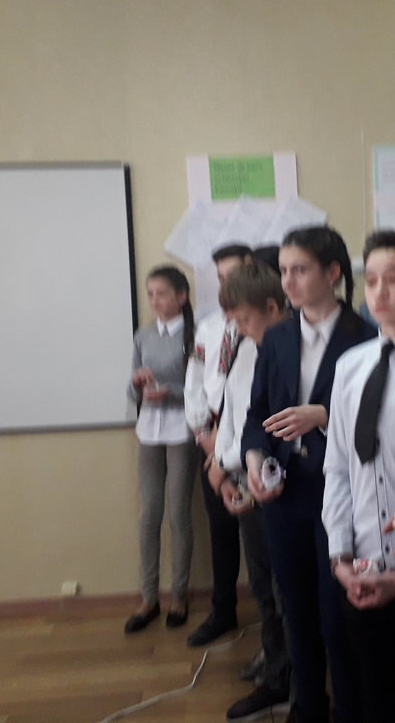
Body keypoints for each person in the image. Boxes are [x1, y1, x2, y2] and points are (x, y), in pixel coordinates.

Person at [242, 225, 377, 723]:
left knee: (335, 614)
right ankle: (307, 708)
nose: (288, 281)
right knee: (295, 610)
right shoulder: (277, 337)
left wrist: (322, 415)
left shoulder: (366, 337)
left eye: (299, 270)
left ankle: (349, 711)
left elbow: (378, 420)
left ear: (332, 273)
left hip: (339, 491)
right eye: (283, 271)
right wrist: (254, 462)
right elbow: (257, 416)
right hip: (285, 492)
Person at [322, 230, 395, 723]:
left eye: (394, 279)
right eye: (370, 280)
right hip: (364, 566)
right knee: (375, 695)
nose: (379, 291)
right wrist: (340, 556)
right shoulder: (350, 366)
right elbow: (338, 466)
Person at [211, 263, 294, 721]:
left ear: (273, 308)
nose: (240, 330)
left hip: (285, 491)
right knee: (262, 586)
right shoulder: (247, 351)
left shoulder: (296, 351)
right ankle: (275, 670)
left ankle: (296, 680)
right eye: (235, 323)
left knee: (288, 591)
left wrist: (265, 475)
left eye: (245, 320)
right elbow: (237, 416)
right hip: (249, 479)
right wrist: (227, 470)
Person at [184, 243, 254, 648]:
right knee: (221, 531)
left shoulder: (261, 327)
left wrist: (225, 443)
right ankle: (223, 610)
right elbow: (195, 382)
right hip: (210, 437)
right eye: (221, 278)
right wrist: (204, 434)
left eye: (234, 275)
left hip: (246, 444)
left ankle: (274, 627)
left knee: (258, 536)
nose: (226, 284)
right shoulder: (209, 327)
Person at [124, 265, 196, 633]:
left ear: (181, 296)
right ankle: (148, 597)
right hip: (148, 431)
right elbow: (132, 391)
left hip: (183, 430)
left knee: (178, 514)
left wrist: (172, 393)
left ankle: (179, 596)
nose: (154, 301)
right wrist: (137, 385)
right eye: (150, 294)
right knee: (149, 514)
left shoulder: (194, 334)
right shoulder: (144, 335)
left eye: (161, 294)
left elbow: (202, 390)